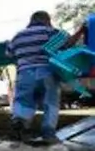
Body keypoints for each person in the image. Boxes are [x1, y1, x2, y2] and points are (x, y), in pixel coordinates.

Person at [5, 10, 85, 142]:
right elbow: (68, 44)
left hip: (25, 74)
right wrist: (81, 30)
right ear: (47, 20)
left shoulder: (18, 36)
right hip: (47, 72)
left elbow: (9, 54)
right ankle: (48, 133)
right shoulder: (51, 32)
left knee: (23, 101)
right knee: (50, 102)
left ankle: (20, 122)